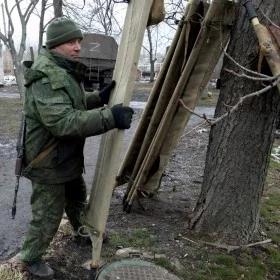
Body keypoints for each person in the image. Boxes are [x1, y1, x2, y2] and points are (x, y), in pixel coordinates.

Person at [11, 17, 134, 278]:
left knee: (77, 199)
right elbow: (64, 122)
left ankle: (81, 233)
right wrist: (109, 117)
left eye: (78, 41)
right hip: (48, 162)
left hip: (63, 157)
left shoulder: (62, 69)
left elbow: (71, 104)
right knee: (47, 216)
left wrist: (96, 99)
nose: (78, 47)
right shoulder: (46, 77)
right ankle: (30, 258)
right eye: (71, 42)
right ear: (55, 44)